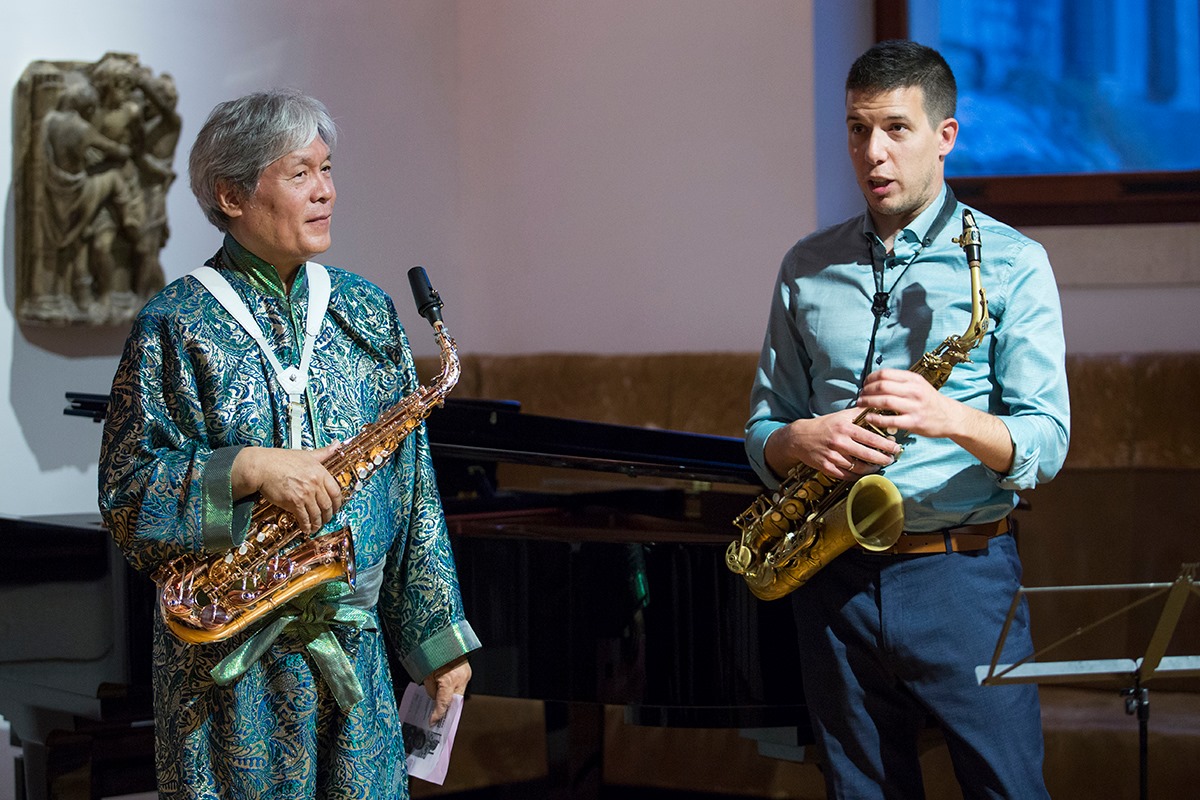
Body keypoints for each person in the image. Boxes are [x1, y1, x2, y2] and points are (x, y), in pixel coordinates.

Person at [99, 88, 480, 799]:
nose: (325, 191)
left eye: (327, 169)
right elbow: (127, 495)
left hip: (355, 660)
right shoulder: (174, 323)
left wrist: (438, 641)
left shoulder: (369, 311)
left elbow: (414, 491)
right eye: (300, 173)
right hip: (228, 678)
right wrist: (245, 468)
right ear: (231, 195)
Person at [744, 40, 1069, 798]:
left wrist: (949, 417)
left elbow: (1048, 443)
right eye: (858, 130)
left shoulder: (1013, 263)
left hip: (962, 578)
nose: (873, 153)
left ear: (945, 136)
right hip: (832, 579)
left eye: (896, 128)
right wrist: (798, 439)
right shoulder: (806, 265)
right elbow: (762, 430)